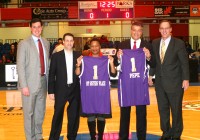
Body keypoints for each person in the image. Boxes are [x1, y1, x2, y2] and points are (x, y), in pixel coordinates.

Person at [148, 20, 189, 140]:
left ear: (171, 29)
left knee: (176, 111)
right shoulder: (155, 43)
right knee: (163, 110)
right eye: (162, 28)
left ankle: (176, 135)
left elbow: (184, 62)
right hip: (160, 84)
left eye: (167, 28)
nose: (164, 30)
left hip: (175, 83)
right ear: (159, 30)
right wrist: (151, 75)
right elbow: (154, 62)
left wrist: (185, 78)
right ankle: (166, 132)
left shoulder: (179, 43)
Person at [116, 21, 152, 140]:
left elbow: (154, 63)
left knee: (141, 114)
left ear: (142, 32)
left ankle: (141, 137)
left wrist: (148, 57)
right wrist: (118, 57)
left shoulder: (147, 45)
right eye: (134, 30)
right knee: (125, 113)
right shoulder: (122, 44)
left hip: (140, 84)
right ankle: (123, 137)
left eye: (139, 30)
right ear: (131, 31)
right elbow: (116, 64)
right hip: (126, 84)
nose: (136, 32)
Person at [75, 38, 117, 140]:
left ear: (100, 47)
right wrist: (78, 65)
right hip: (89, 93)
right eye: (92, 46)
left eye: (96, 46)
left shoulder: (106, 60)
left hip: (102, 93)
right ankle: (93, 137)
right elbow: (77, 74)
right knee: (91, 116)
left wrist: (111, 63)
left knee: (101, 116)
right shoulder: (84, 60)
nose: (94, 48)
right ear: (90, 47)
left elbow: (114, 73)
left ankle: (101, 137)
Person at [17, 18, 50, 140]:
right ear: (30, 28)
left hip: (43, 82)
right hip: (29, 85)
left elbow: (47, 63)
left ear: (42, 28)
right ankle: (30, 138)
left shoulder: (46, 42)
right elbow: (20, 65)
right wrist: (23, 85)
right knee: (29, 114)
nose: (37, 29)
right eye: (34, 27)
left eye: (39, 27)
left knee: (40, 113)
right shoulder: (24, 43)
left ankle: (38, 135)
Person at [48, 33, 81, 140]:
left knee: (74, 115)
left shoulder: (78, 55)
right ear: (63, 41)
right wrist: (51, 91)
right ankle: (53, 137)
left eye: (71, 40)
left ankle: (72, 137)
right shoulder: (56, 56)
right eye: (67, 40)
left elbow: (80, 73)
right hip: (60, 89)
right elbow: (52, 74)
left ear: (73, 42)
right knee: (57, 114)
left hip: (74, 89)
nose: (69, 43)